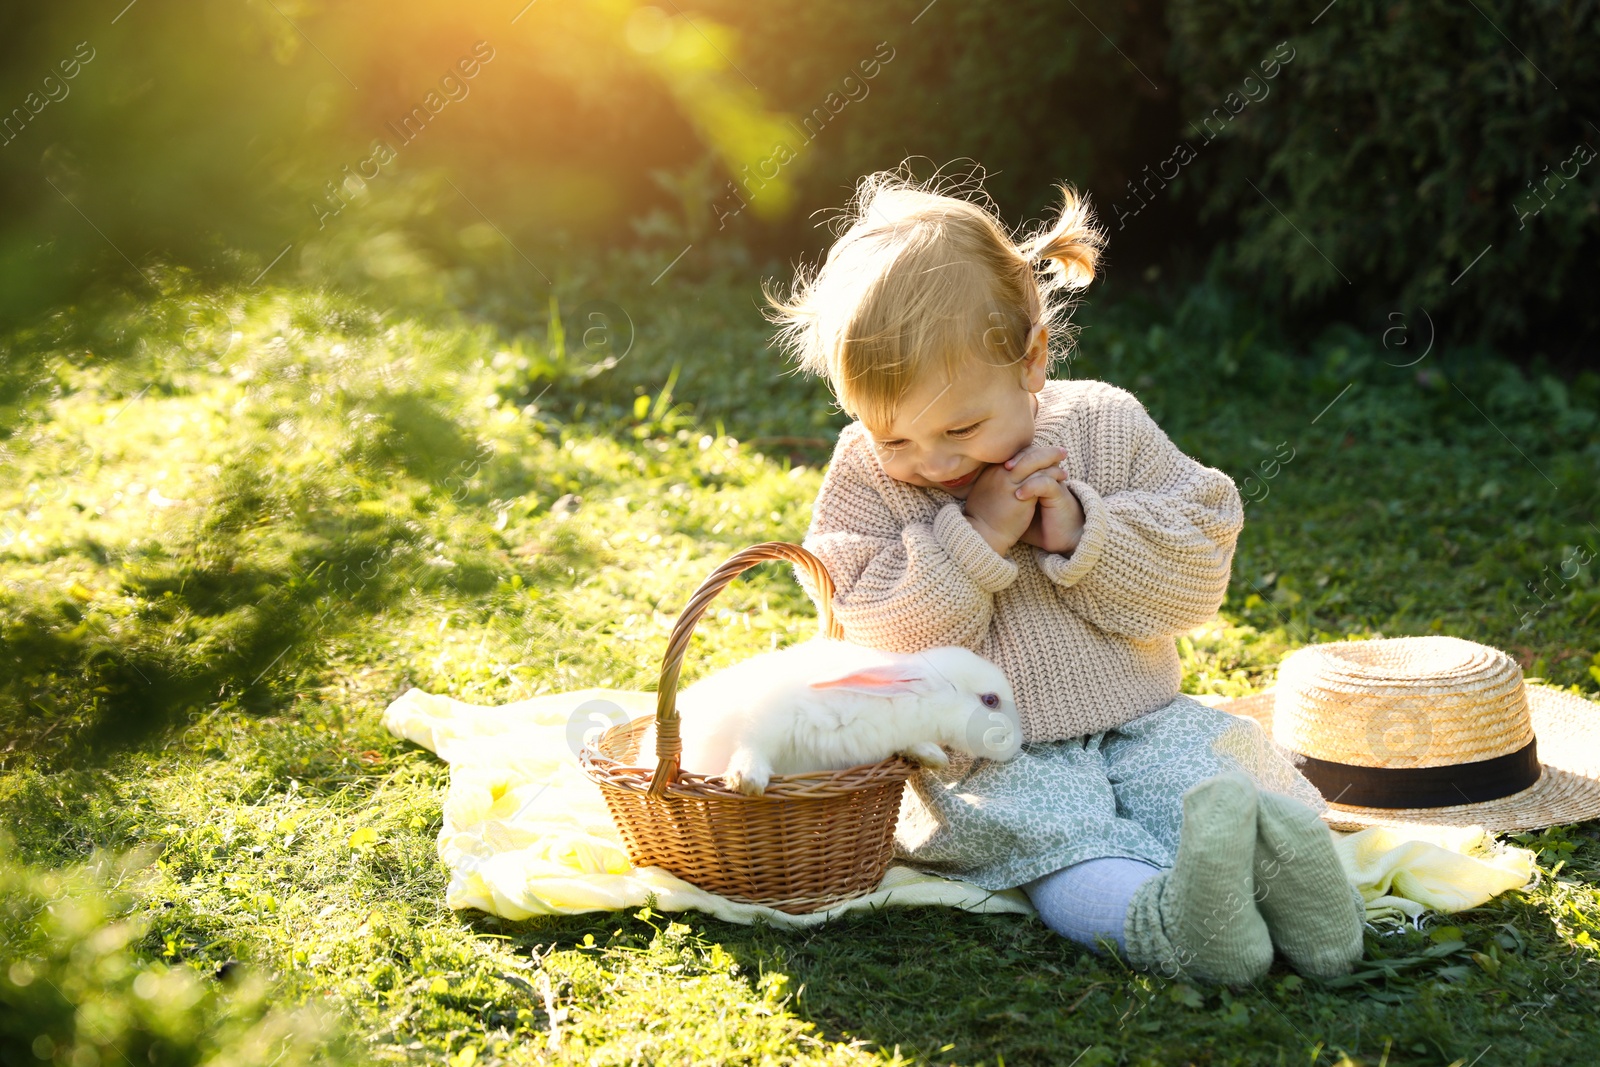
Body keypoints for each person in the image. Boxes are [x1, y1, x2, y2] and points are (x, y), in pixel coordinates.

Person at [763, 166, 1365, 984]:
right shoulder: (867, 477)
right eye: (892, 433)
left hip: (1143, 717)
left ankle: (1308, 901)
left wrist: (1084, 527)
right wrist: (969, 539)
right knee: (1054, 841)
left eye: (961, 426)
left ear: (1032, 358)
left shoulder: (1103, 424)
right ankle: (1169, 921)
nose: (930, 460)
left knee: (1215, 776)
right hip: (994, 757)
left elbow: (1198, 572)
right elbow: (865, 629)